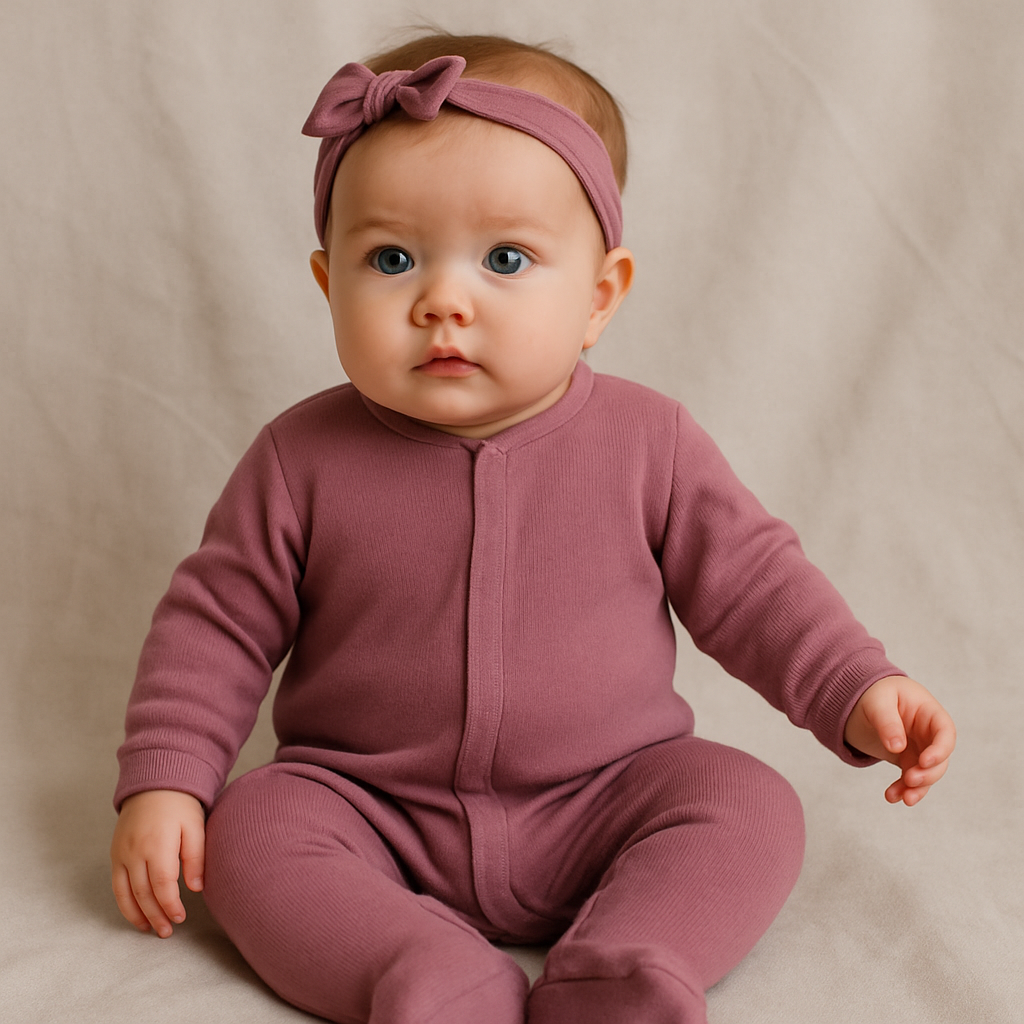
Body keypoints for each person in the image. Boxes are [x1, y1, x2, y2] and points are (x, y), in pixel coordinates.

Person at [110, 32, 956, 1024]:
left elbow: (753, 582)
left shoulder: (649, 442)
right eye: (391, 259)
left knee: (746, 803)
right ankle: (420, 973)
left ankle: (626, 963)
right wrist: (167, 780)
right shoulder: (300, 459)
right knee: (251, 827)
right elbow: (214, 626)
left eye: (505, 259)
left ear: (598, 297)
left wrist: (856, 684)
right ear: (328, 284)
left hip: (605, 796)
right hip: (370, 808)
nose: (443, 302)